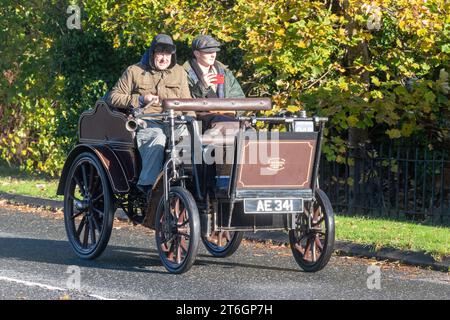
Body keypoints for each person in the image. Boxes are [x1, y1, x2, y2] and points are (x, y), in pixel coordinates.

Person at [105, 34, 194, 219]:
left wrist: (192, 121)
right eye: (160, 53)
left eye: (168, 55)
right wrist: (140, 99)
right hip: (147, 120)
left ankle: (185, 184)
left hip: (174, 120)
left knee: (188, 135)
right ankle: (148, 188)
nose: (164, 58)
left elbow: (187, 102)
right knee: (157, 138)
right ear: (152, 53)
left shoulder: (179, 72)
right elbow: (112, 97)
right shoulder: (135, 71)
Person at [183, 35, 245, 131]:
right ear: (197, 53)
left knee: (249, 130)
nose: (213, 55)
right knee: (223, 123)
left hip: (229, 118)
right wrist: (202, 85)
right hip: (199, 121)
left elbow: (240, 98)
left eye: (214, 51)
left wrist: (232, 111)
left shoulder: (224, 72)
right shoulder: (183, 73)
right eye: (208, 52)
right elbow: (185, 103)